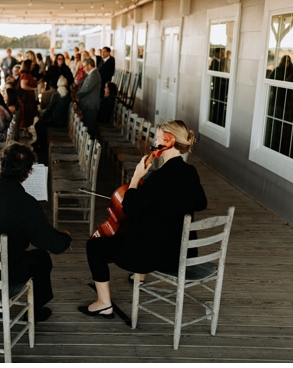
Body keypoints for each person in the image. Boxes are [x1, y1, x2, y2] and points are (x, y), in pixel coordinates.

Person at [81, 120, 206, 318]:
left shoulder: (158, 179)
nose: (154, 142)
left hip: (155, 256)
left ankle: (104, 303)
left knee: (94, 246)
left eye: (157, 138)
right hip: (180, 253)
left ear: (168, 141)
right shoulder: (190, 172)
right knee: (152, 226)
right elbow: (201, 203)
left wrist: (135, 179)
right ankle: (139, 275)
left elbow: (129, 208)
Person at [0, 143, 72, 322]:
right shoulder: (25, 202)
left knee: (4, 248)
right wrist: (65, 238)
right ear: (28, 171)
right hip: (3, 272)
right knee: (41, 258)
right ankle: (34, 312)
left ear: (2, 164)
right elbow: (47, 241)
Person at [32, 76, 72, 158]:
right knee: (41, 125)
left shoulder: (56, 95)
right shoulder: (68, 95)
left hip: (55, 121)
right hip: (63, 121)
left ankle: (42, 145)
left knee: (38, 125)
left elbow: (49, 109)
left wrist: (42, 118)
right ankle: (40, 142)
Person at [76, 58, 101, 138]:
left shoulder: (94, 74)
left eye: (84, 66)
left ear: (89, 65)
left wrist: (76, 95)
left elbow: (87, 88)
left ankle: (91, 148)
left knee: (90, 128)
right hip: (88, 104)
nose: (83, 68)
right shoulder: (92, 74)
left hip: (91, 105)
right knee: (88, 126)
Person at [19, 59, 40, 133]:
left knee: (29, 113)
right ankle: (24, 129)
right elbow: (23, 86)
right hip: (26, 98)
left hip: (30, 98)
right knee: (26, 113)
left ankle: (26, 129)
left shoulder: (29, 74)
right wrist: (33, 88)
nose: (32, 67)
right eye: (31, 65)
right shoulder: (25, 75)